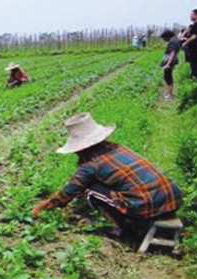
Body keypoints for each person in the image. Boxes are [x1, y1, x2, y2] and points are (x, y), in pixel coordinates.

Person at [32, 113, 183, 239]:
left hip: (145, 205)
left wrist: (42, 207)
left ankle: (118, 228)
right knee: (103, 186)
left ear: (80, 148)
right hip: (173, 196)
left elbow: (69, 192)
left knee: (88, 190)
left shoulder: (91, 165)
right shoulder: (119, 148)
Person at [183, 9, 197, 79]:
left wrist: (185, 43)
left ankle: (195, 78)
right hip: (194, 47)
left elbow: (194, 37)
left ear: (196, 15)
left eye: (192, 14)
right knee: (193, 64)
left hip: (196, 47)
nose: (190, 16)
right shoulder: (195, 24)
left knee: (195, 64)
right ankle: (194, 77)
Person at [160, 30, 180, 100]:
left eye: (164, 38)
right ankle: (169, 93)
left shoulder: (172, 42)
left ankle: (169, 95)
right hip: (170, 61)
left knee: (168, 78)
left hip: (169, 61)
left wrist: (168, 64)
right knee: (168, 77)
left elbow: (173, 53)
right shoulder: (175, 40)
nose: (164, 40)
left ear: (167, 36)